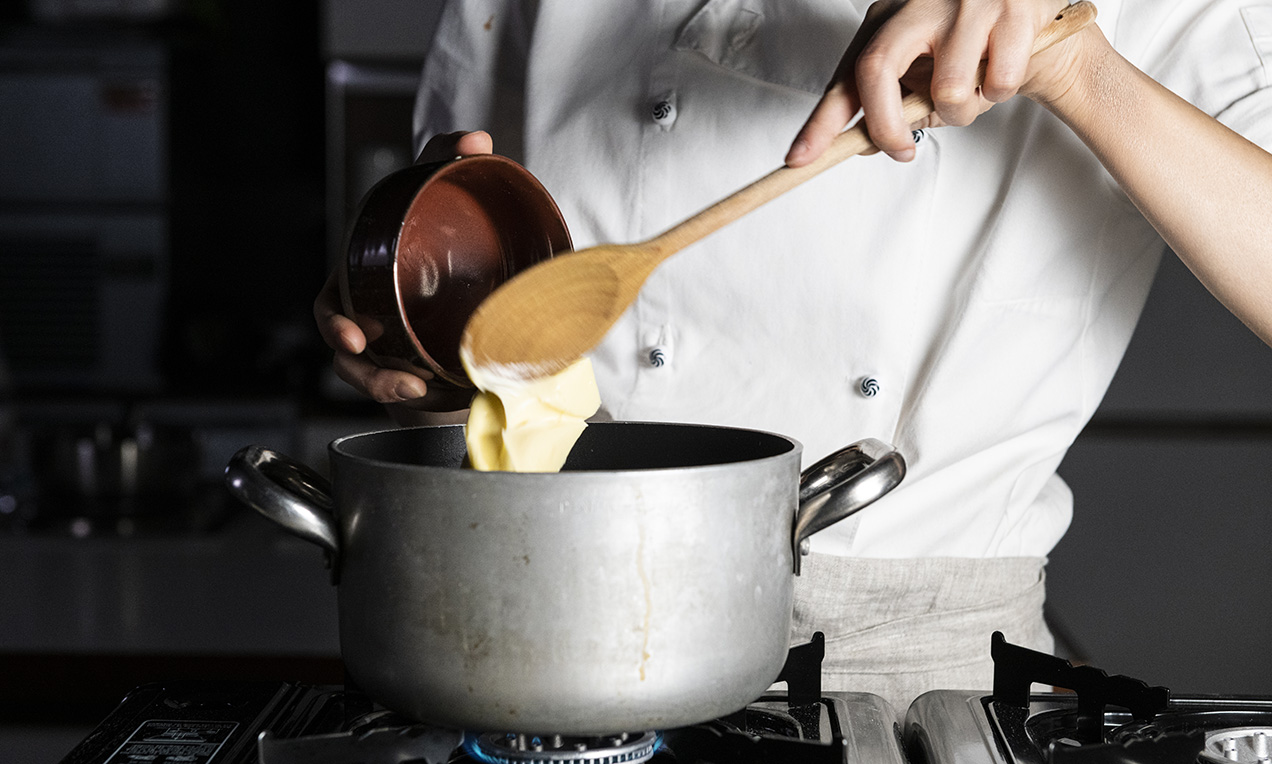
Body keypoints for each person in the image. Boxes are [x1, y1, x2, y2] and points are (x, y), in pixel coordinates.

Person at [315, 0, 1272, 714]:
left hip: (909, 686)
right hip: (538, 643)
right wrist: (430, 355)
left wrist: (1075, 64)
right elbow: (488, 286)